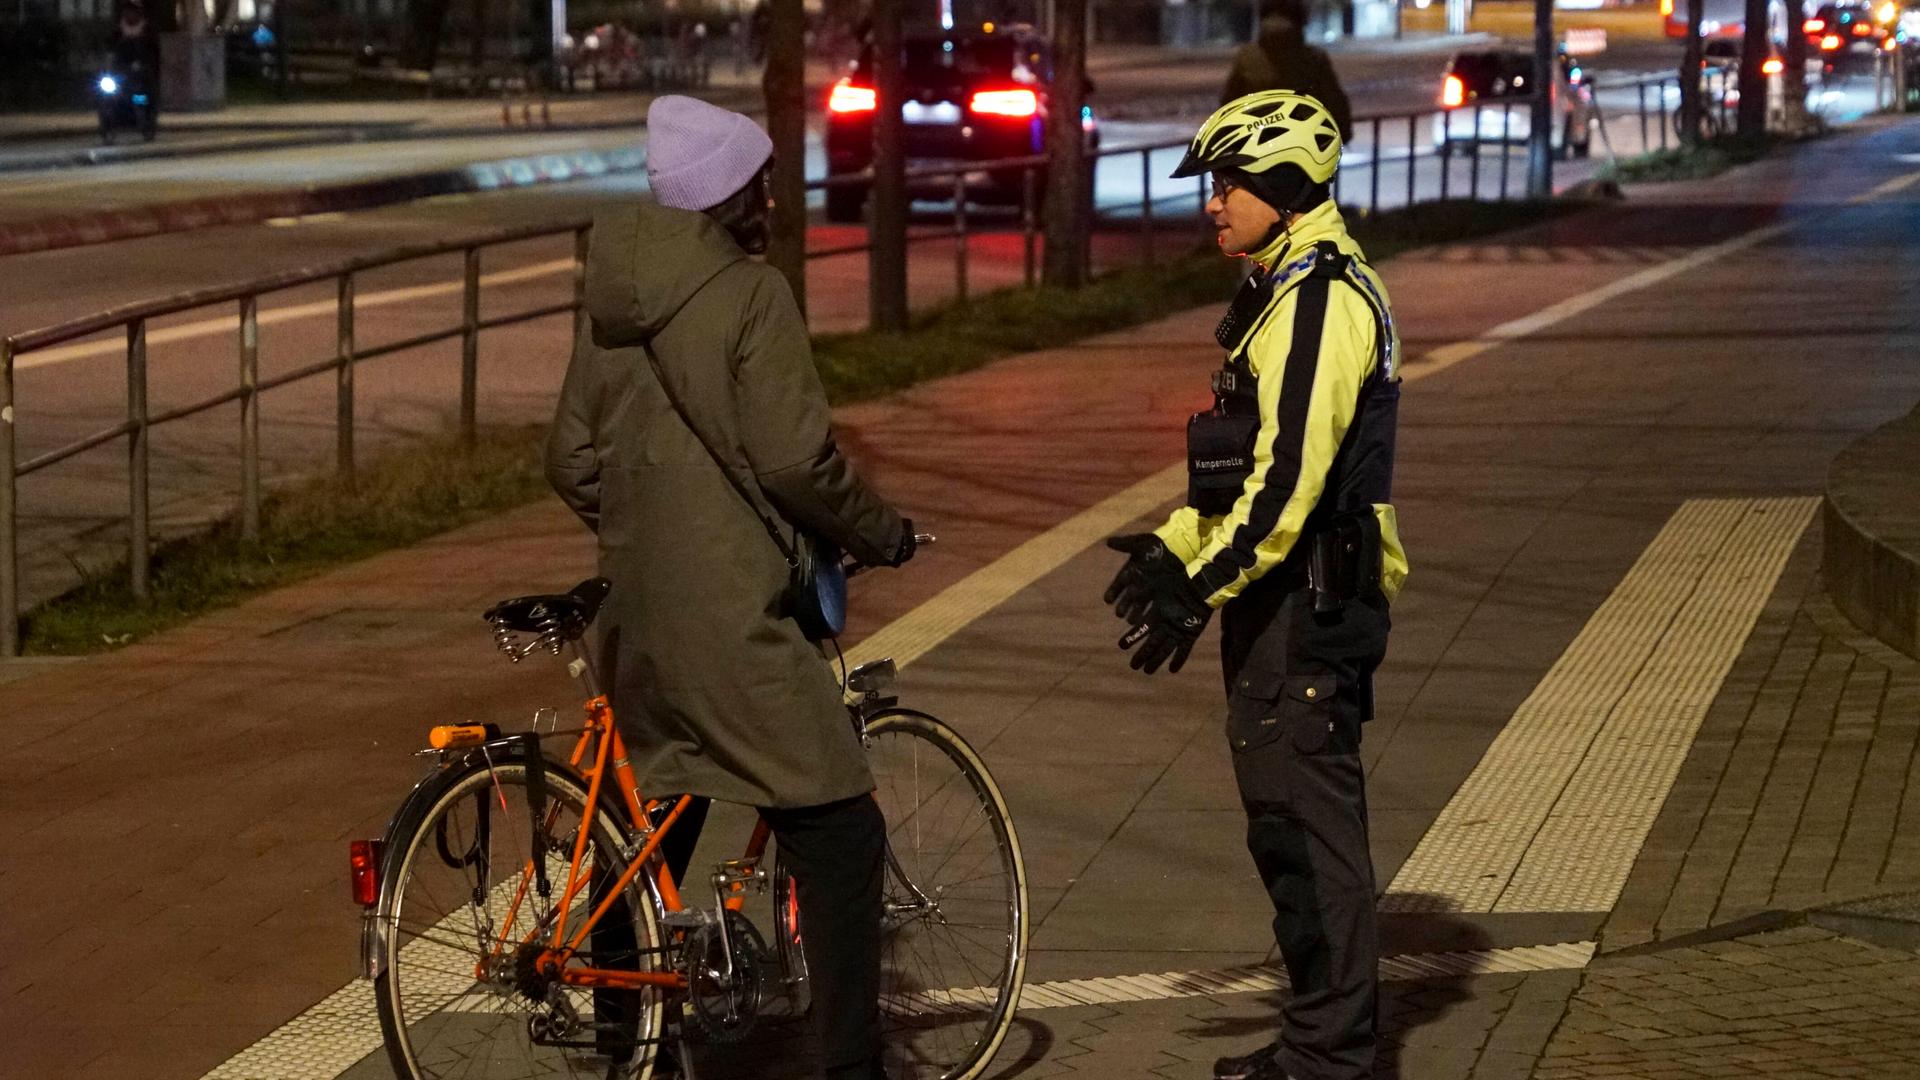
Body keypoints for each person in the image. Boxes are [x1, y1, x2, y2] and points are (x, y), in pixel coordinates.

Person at [544, 94, 916, 1080]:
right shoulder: (754, 298)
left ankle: (635, 1053)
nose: (774, 196)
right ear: (728, 192)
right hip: (734, 627)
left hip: (637, 625)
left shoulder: (612, 305)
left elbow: (571, 459)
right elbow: (798, 462)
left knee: (647, 835)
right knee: (841, 830)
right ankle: (852, 1070)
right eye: (761, 178)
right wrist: (879, 531)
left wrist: (647, 537)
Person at [1102, 90, 1405, 1080]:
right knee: (1285, 832)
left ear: (1280, 187)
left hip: (1309, 609)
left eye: (1228, 183)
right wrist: (1174, 553)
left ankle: (1331, 1060)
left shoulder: (1321, 301)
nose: (1211, 203)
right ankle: (1317, 1041)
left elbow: (1288, 486)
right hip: (1285, 603)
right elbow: (1234, 477)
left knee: (1311, 841)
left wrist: (1205, 586)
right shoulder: (1280, 293)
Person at [1221, 0, 1354, 143]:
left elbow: (1229, 108)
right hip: (1304, 151)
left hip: (1257, 153)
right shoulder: (1314, 60)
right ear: (1301, 20)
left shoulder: (1247, 58)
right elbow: (1335, 106)